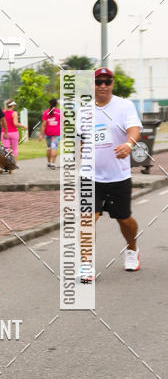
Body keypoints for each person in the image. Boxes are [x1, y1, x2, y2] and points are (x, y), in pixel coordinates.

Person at [79, 67, 142, 282]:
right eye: (99, 82)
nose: (103, 86)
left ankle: (132, 248)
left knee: (124, 220)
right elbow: (81, 138)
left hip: (118, 176)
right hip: (90, 175)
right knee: (88, 218)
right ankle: (86, 264)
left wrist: (128, 144)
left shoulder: (124, 106)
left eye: (107, 82)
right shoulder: (83, 110)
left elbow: (134, 129)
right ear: (93, 85)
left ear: (112, 84)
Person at [40, 98, 62, 169]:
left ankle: (49, 162)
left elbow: (43, 124)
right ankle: (53, 163)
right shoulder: (60, 112)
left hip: (48, 133)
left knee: (49, 147)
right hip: (56, 133)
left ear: (49, 104)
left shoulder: (46, 112)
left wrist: (41, 135)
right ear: (57, 104)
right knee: (54, 147)